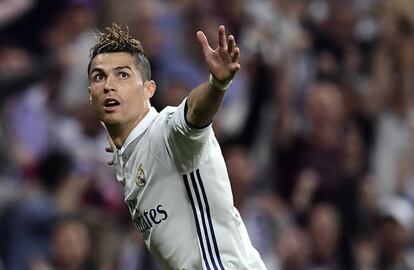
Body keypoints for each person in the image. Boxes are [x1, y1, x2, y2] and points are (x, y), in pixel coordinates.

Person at [87, 23, 266, 269]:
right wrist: (121, 149)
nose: (109, 85)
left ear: (149, 89)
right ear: (90, 94)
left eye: (123, 75)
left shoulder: (166, 131)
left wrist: (217, 85)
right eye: (99, 77)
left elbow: (194, 114)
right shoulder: (127, 153)